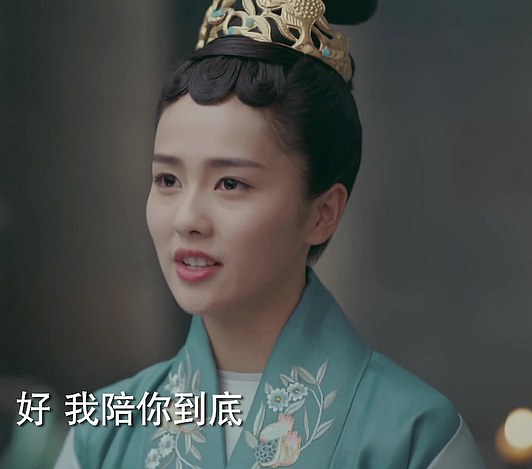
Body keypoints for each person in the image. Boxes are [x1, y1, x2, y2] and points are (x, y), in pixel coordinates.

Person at [55, 0, 485, 467]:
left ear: (322, 213)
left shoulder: (415, 440)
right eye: (168, 180)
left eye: (230, 183)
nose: (186, 219)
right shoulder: (100, 437)